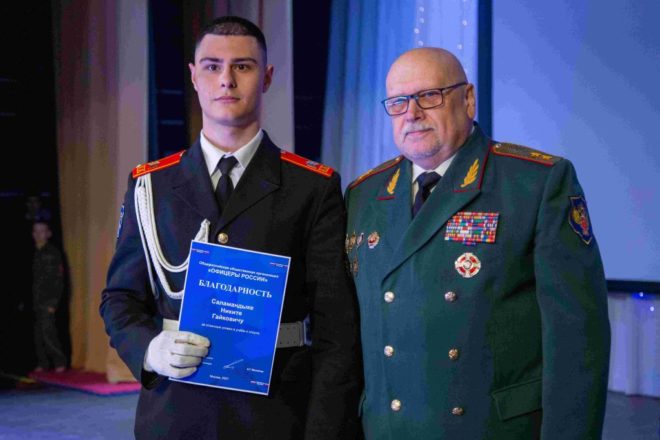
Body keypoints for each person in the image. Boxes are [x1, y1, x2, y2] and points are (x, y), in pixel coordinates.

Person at [100, 16, 361, 439]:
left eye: (243, 66)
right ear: (193, 77)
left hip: (276, 416)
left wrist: (323, 430)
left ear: (267, 77)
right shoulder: (151, 186)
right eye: (212, 66)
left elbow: (336, 328)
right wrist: (149, 349)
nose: (226, 79)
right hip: (175, 414)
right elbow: (120, 298)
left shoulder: (312, 187)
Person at [344, 48, 610, 439]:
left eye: (429, 96)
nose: (411, 113)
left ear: (468, 99)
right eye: (398, 102)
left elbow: (577, 341)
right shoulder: (363, 194)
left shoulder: (535, 183)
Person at [31, 221, 67, 372]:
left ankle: (59, 362)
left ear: (48, 234)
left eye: (42, 231)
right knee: (38, 334)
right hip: (36, 300)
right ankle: (43, 363)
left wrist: (53, 302)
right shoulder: (34, 252)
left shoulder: (52, 252)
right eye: (36, 231)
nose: (39, 234)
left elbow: (58, 279)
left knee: (48, 332)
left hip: (48, 300)